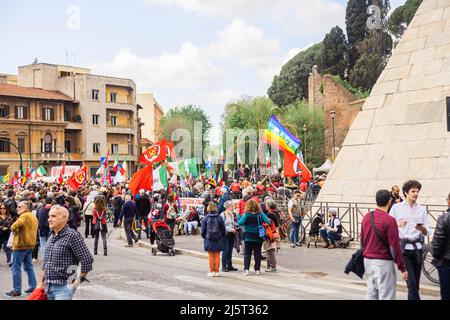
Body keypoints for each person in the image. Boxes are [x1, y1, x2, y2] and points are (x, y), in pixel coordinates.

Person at [36, 205, 94, 300]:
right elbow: (46, 261)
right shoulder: (51, 235)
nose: (49, 219)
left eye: (53, 216)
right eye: (49, 216)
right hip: (47, 287)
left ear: (64, 218)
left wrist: (74, 285)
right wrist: (40, 283)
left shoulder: (73, 236)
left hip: (63, 289)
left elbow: (87, 259)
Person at [360, 189, 408, 300]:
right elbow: (394, 247)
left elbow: (362, 240)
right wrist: (402, 267)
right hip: (383, 263)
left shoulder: (367, 217)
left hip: (368, 261)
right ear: (389, 201)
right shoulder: (390, 220)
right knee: (387, 295)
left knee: (372, 293)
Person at [389, 180, 431, 300]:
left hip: (418, 251)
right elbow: (387, 227)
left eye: (417, 191)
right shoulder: (396, 208)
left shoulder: (422, 209)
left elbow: (428, 231)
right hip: (404, 251)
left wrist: (422, 229)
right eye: (413, 191)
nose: (416, 193)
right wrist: (397, 224)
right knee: (411, 285)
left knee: (415, 286)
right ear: (406, 193)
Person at [5, 201, 38, 297]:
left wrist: (14, 229)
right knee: (28, 266)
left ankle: (17, 290)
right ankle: (33, 286)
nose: (17, 208)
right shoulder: (32, 216)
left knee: (15, 267)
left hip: (21, 245)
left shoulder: (24, 216)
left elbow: (13, 226)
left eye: (19, 207)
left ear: (26, 208)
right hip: (30, 244)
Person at [238, 199, 272, 276]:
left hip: (248, 236)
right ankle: (257, 269)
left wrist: (238, 215)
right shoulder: (260, 214)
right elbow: (268, 221)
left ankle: (246, 270)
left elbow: (240, 223)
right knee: (257, 253)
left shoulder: (246, 214)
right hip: (258, 236)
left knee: (247, 253)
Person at [431, 192, 450, 300]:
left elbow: (437, 242)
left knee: (446, 294)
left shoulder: (444, 218)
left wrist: (436, 255)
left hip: (446, 263)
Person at [201, 202, 226, 277]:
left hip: (209, 239)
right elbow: (223, 230)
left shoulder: (205, 218)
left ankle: (211, 271)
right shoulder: (219, 217)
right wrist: (221, 236)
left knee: (211, 256)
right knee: (217, 255)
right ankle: (217, 271)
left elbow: (202, 231)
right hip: (218, 238)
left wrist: (205, 237)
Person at [221, 201, 238, 272]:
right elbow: (222, 226)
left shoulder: (231, 214)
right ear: (228, 207)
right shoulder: (223, 214)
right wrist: (230, 229)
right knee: (225, 250)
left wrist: (236, 225)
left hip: (231, 234)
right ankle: (224, 266)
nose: (233, 207)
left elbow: (232, 223)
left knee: (230, 250)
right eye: (232, 206)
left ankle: (229, 265)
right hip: (226, 234)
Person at [264, 202, 281, 273]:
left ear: (269, 206)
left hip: (270, 233)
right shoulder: (276, 213)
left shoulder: (269, 214)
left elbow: (267, 225)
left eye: (266, 205)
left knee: (270, 250)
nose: (265, 206)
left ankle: (273, 267)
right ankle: (269, 267)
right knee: (270, 250)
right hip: (275, 233)